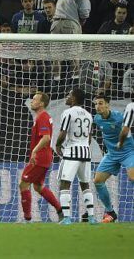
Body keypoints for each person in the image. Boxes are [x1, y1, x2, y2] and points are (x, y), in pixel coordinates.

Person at [19, 92, 63, 223]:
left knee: (23, 185)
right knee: (38, 187)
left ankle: (27, 219)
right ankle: (60, 210)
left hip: (40, 157)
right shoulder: (42, 116)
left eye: (34, 99)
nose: (32, 101)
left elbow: (46, 137)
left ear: (42, 103)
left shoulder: (42, 117)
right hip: (44, 157)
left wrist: (34, 151)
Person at [55, 88, 97, 225]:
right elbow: (89, 138)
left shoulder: (68, 113)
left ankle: (66, 218)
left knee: (64, 184)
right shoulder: (89, 115)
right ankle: (91, 217)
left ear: (73, 98)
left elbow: (63, 132)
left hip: (71, 152)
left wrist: (57, 145)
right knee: (85, 185)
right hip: (85, 152)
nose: (67, 97)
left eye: (69, 95)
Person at [93, 94, 134, 223]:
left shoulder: (119, 117)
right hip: (111, 154)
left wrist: (121, 143)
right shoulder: (97, 119)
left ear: (107, 105)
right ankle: (110, 212)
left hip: (127, 151)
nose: (97, 106)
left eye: (100, 103)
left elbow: (126, 130)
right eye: (96, 104)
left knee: (132, 178)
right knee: (98, 181)